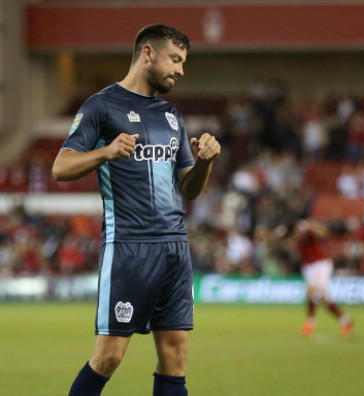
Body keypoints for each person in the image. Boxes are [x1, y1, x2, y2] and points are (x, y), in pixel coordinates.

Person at [52, 24, 221, 396]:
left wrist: (206, 162)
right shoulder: (102, 105)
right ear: (148, 53)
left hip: (175, 247)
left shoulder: (172, 114)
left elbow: (188, 189)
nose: (180, 70)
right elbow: (60, 168)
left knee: (176, 355)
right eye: (175, 60)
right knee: (109, 357)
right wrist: (106, 152)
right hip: (129, 246)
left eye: (183, 62)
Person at [276, 219, 353, 338]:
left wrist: (311, 226)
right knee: (323, 299)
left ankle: (310, 322)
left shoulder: (306, 233)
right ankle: (345, 321)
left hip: (320, 264)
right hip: (308, 267)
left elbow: (323, 232)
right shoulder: (294, 239)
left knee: (312, 292)